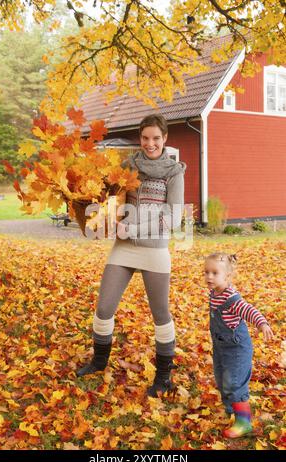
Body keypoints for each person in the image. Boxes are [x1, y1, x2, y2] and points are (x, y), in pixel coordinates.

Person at [77, 113, 187, 397]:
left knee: (160, 314)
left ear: (165, 139)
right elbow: (110, 199)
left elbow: (173, 218)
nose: (150, 144)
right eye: (145, 138)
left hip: (154, 251)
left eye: (156, 138)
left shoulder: (175, 172)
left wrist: (134, 227)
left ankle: (163, 377)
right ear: (140, 138)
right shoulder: (129, 167)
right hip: (124, 248)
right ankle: (99, 362)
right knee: (103, 308)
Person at [204, 252, 274, 438]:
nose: (209, 276)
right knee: (221, 376)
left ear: (227, 276)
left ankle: (244, 422)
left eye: (214, 273)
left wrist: (262, 323)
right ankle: (231, 408)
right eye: (206, 272)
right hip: (221, 347)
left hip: (236, 349)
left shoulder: (231, 299)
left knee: (234, 382)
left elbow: (248, 309)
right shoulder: (214, 292)